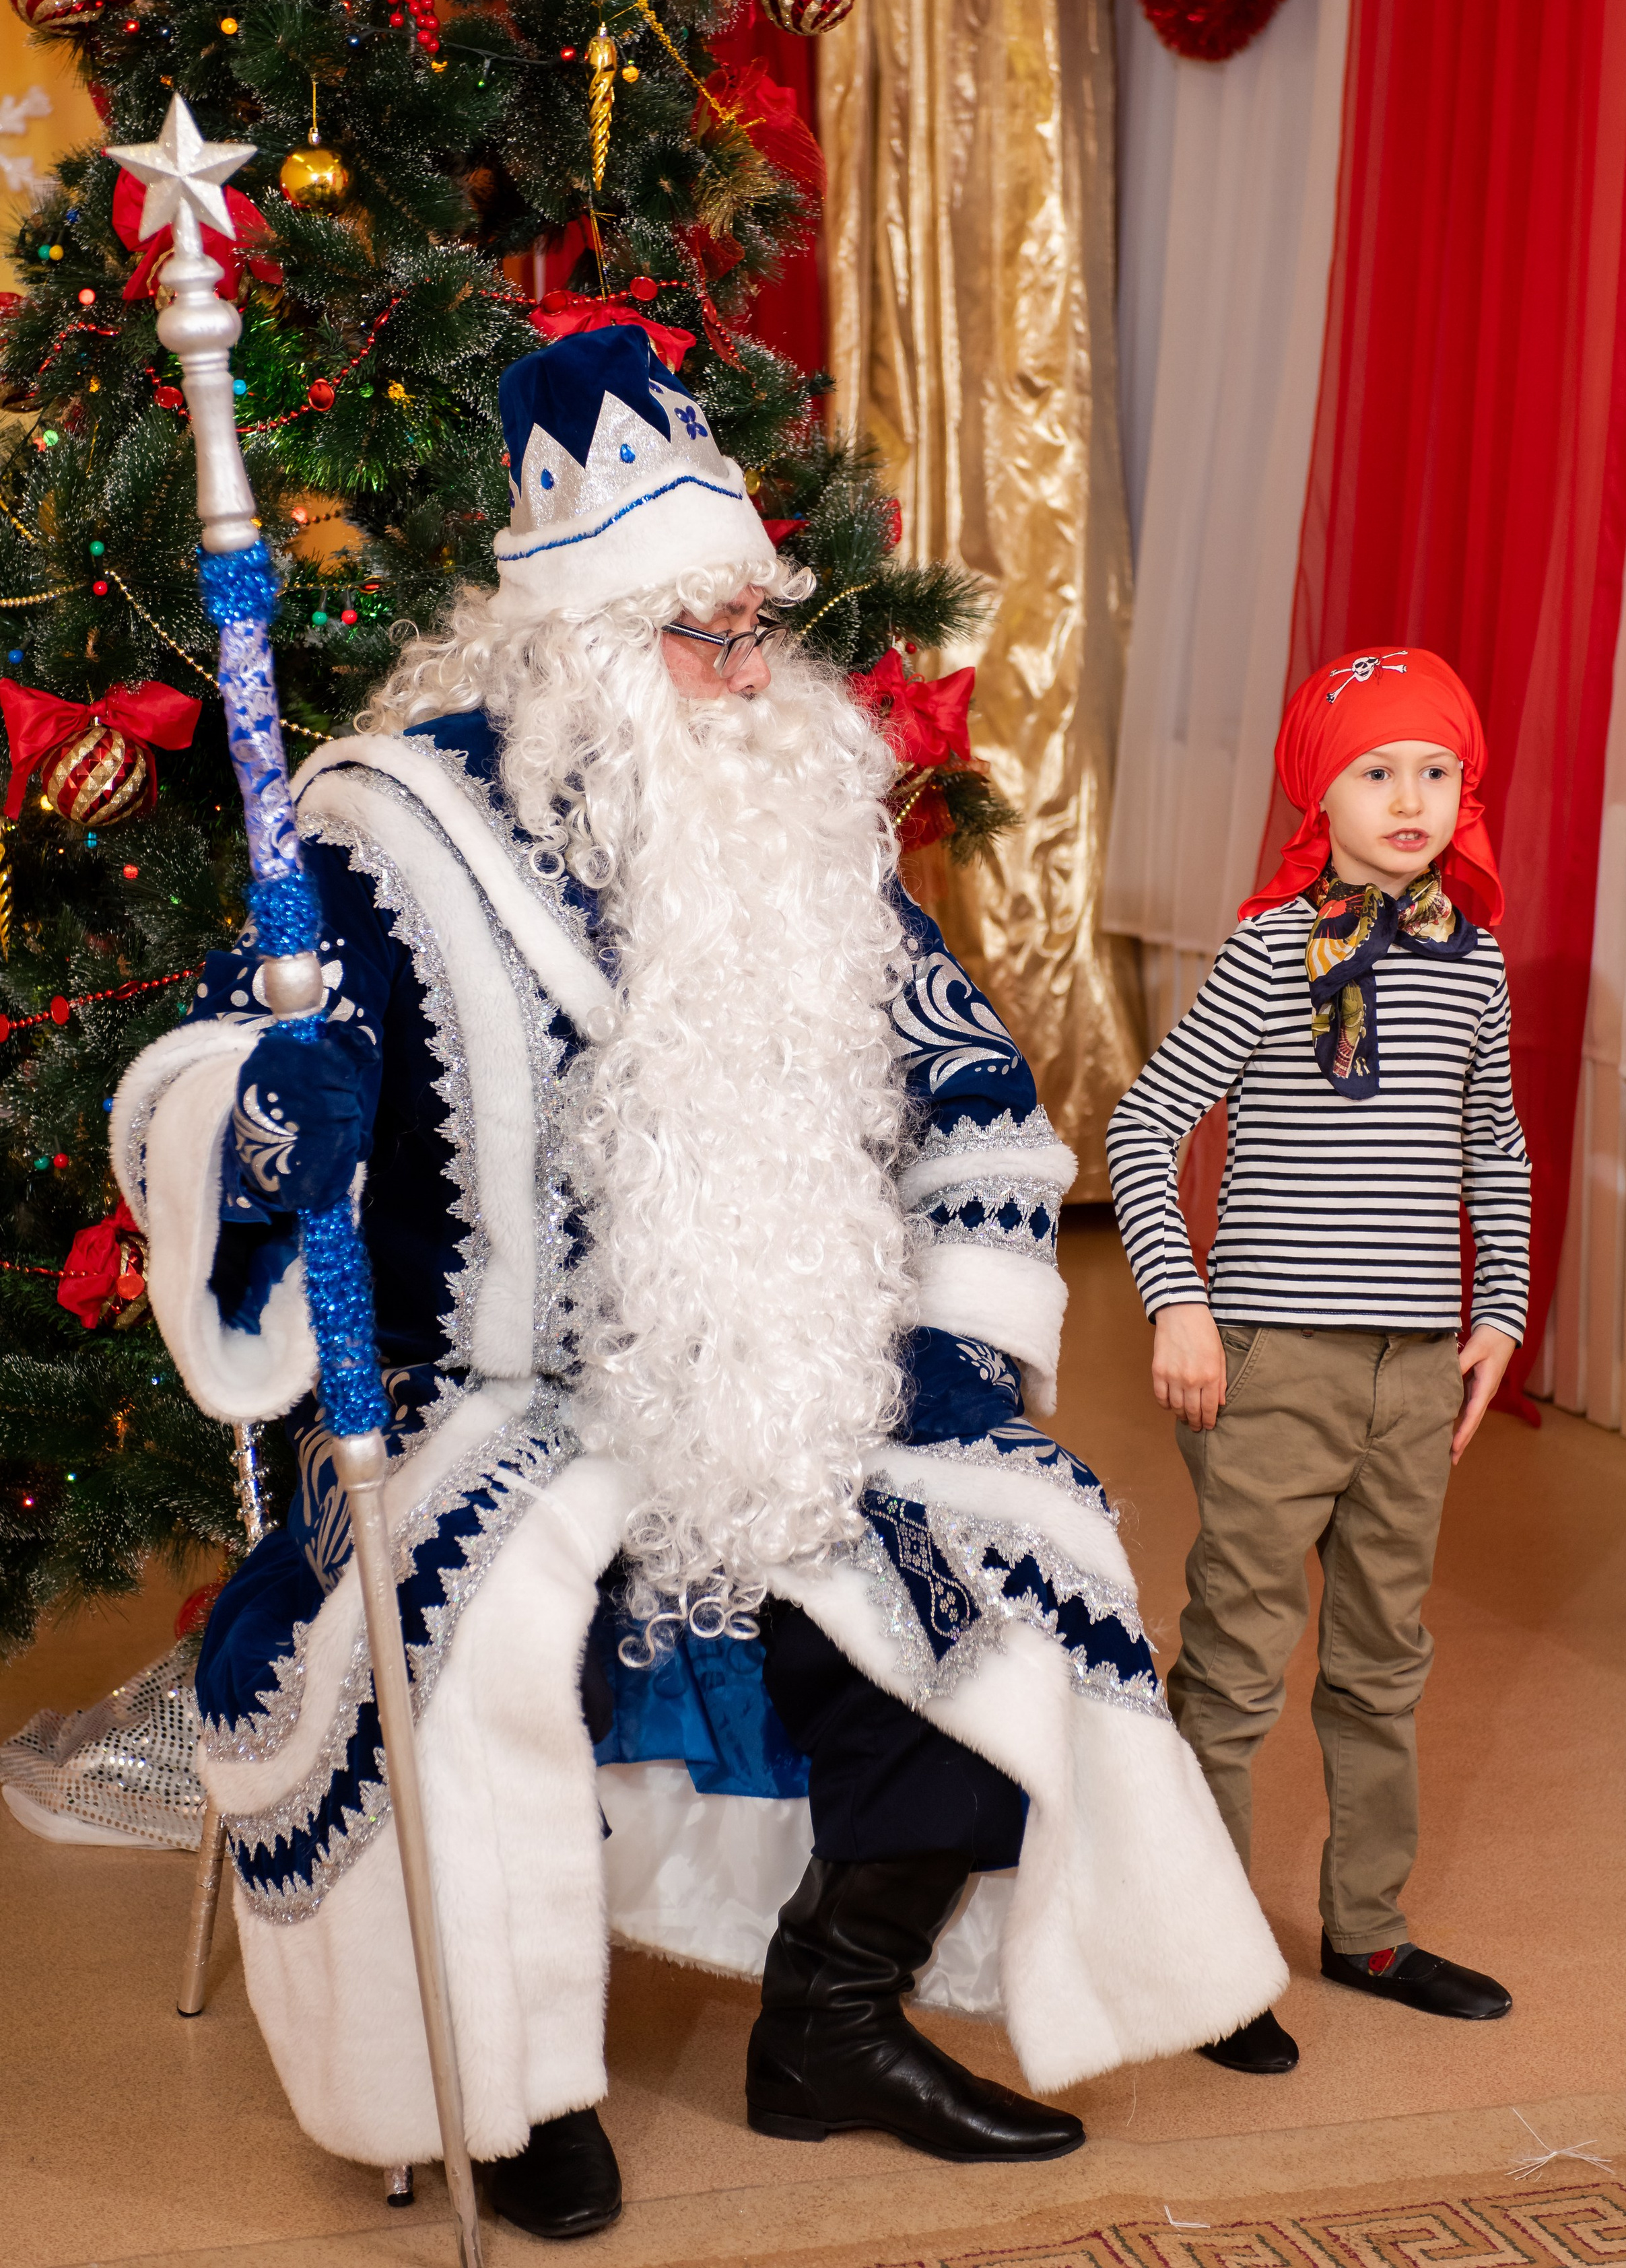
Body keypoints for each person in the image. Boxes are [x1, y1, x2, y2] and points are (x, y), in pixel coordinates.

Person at [114, 326, 1285, 2239]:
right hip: (477, 1386)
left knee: (1020, 1532)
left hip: (782, 1363)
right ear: (583, 641)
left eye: (764, 629)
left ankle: (834, 2008)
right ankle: (503, 2076)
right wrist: (267, 1122)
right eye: (708, 637)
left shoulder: (802, 817)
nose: (756, 674)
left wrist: (955, 1356)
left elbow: (977, 1091)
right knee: (482, 1611)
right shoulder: (383, 830)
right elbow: (210, 1084)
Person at [1107, 646, 1531, 2080]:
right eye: (1375, 767)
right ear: (1318, 790)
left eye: (1436, 770)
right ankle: (1207, 1951)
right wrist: (1176, 1303)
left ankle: (1367, 1925)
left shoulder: (1468, 964)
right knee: (1230, 1665)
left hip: (1413, 1369)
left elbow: (1493, 1145)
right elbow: (1138, 1129)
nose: (1409, 795)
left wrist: (1498, 1312)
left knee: (1380, 1656)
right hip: (1271, 1360)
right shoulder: (1262, 953)